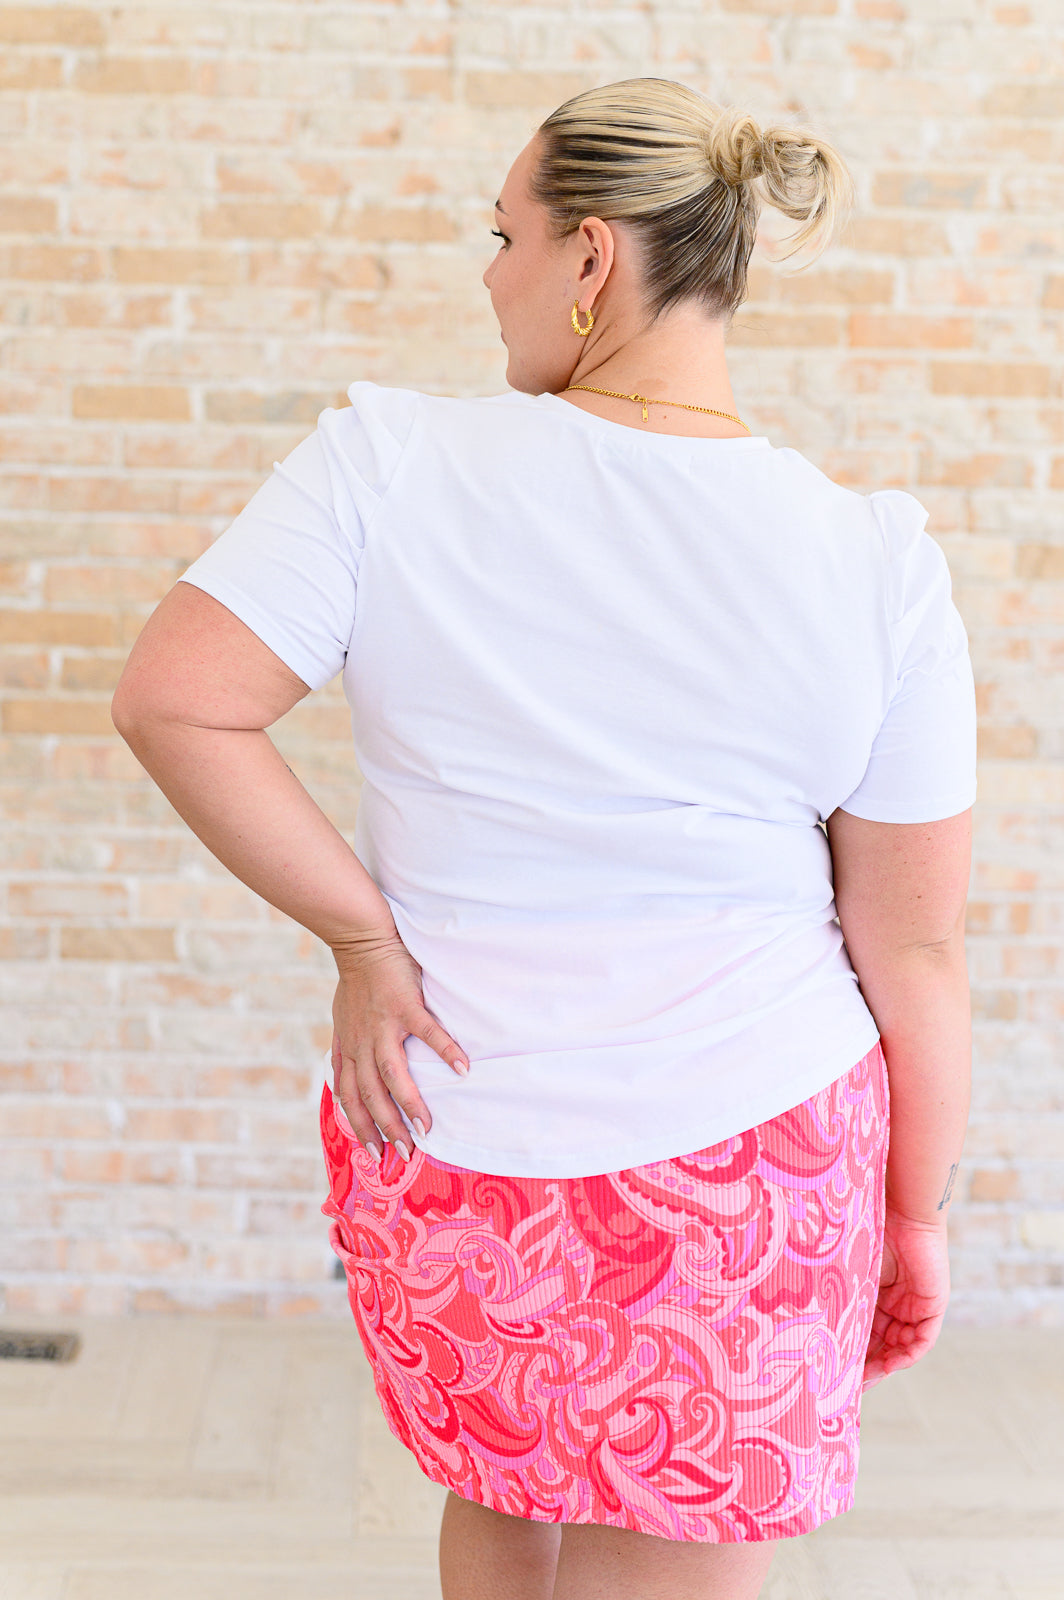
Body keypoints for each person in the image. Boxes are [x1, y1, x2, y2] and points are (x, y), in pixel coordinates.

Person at [111, 76, 977, 1600]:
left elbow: (177, 702)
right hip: (760, 1141)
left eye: (499, 233)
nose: (485, 269)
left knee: (502, 1499)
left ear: (589, 259)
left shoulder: (384, 465)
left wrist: (363, 941)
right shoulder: (872, 560)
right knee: (682, 1536)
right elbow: (909, 945)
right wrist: (910, 1214)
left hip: (454, 1125)